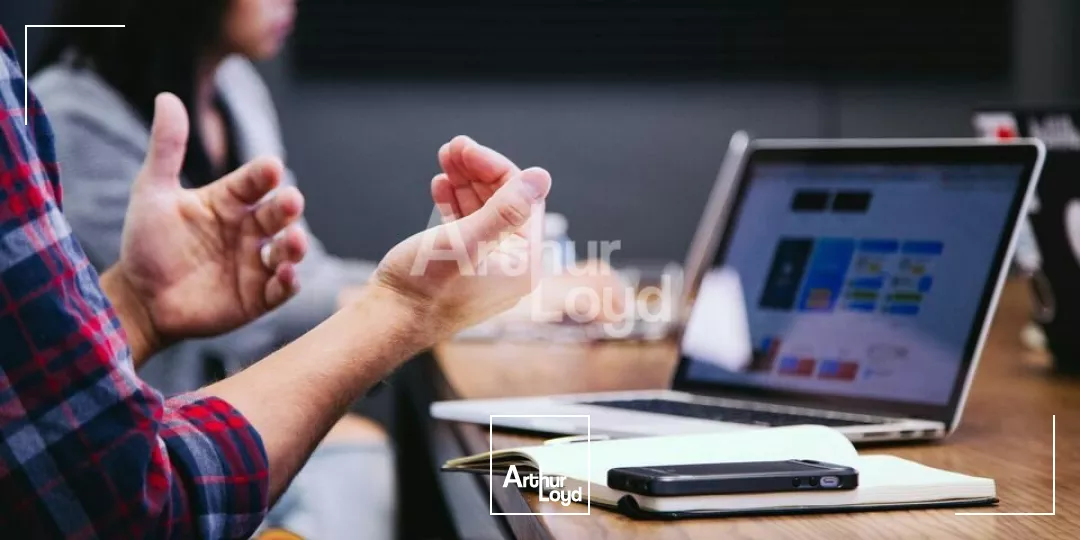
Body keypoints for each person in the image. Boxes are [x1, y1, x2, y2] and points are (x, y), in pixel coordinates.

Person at [0, 23, 554, 539]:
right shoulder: (69, 111)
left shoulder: (235, 87)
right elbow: (127, 501)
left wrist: (138, 306)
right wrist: (408, 305)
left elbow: (302, 274)